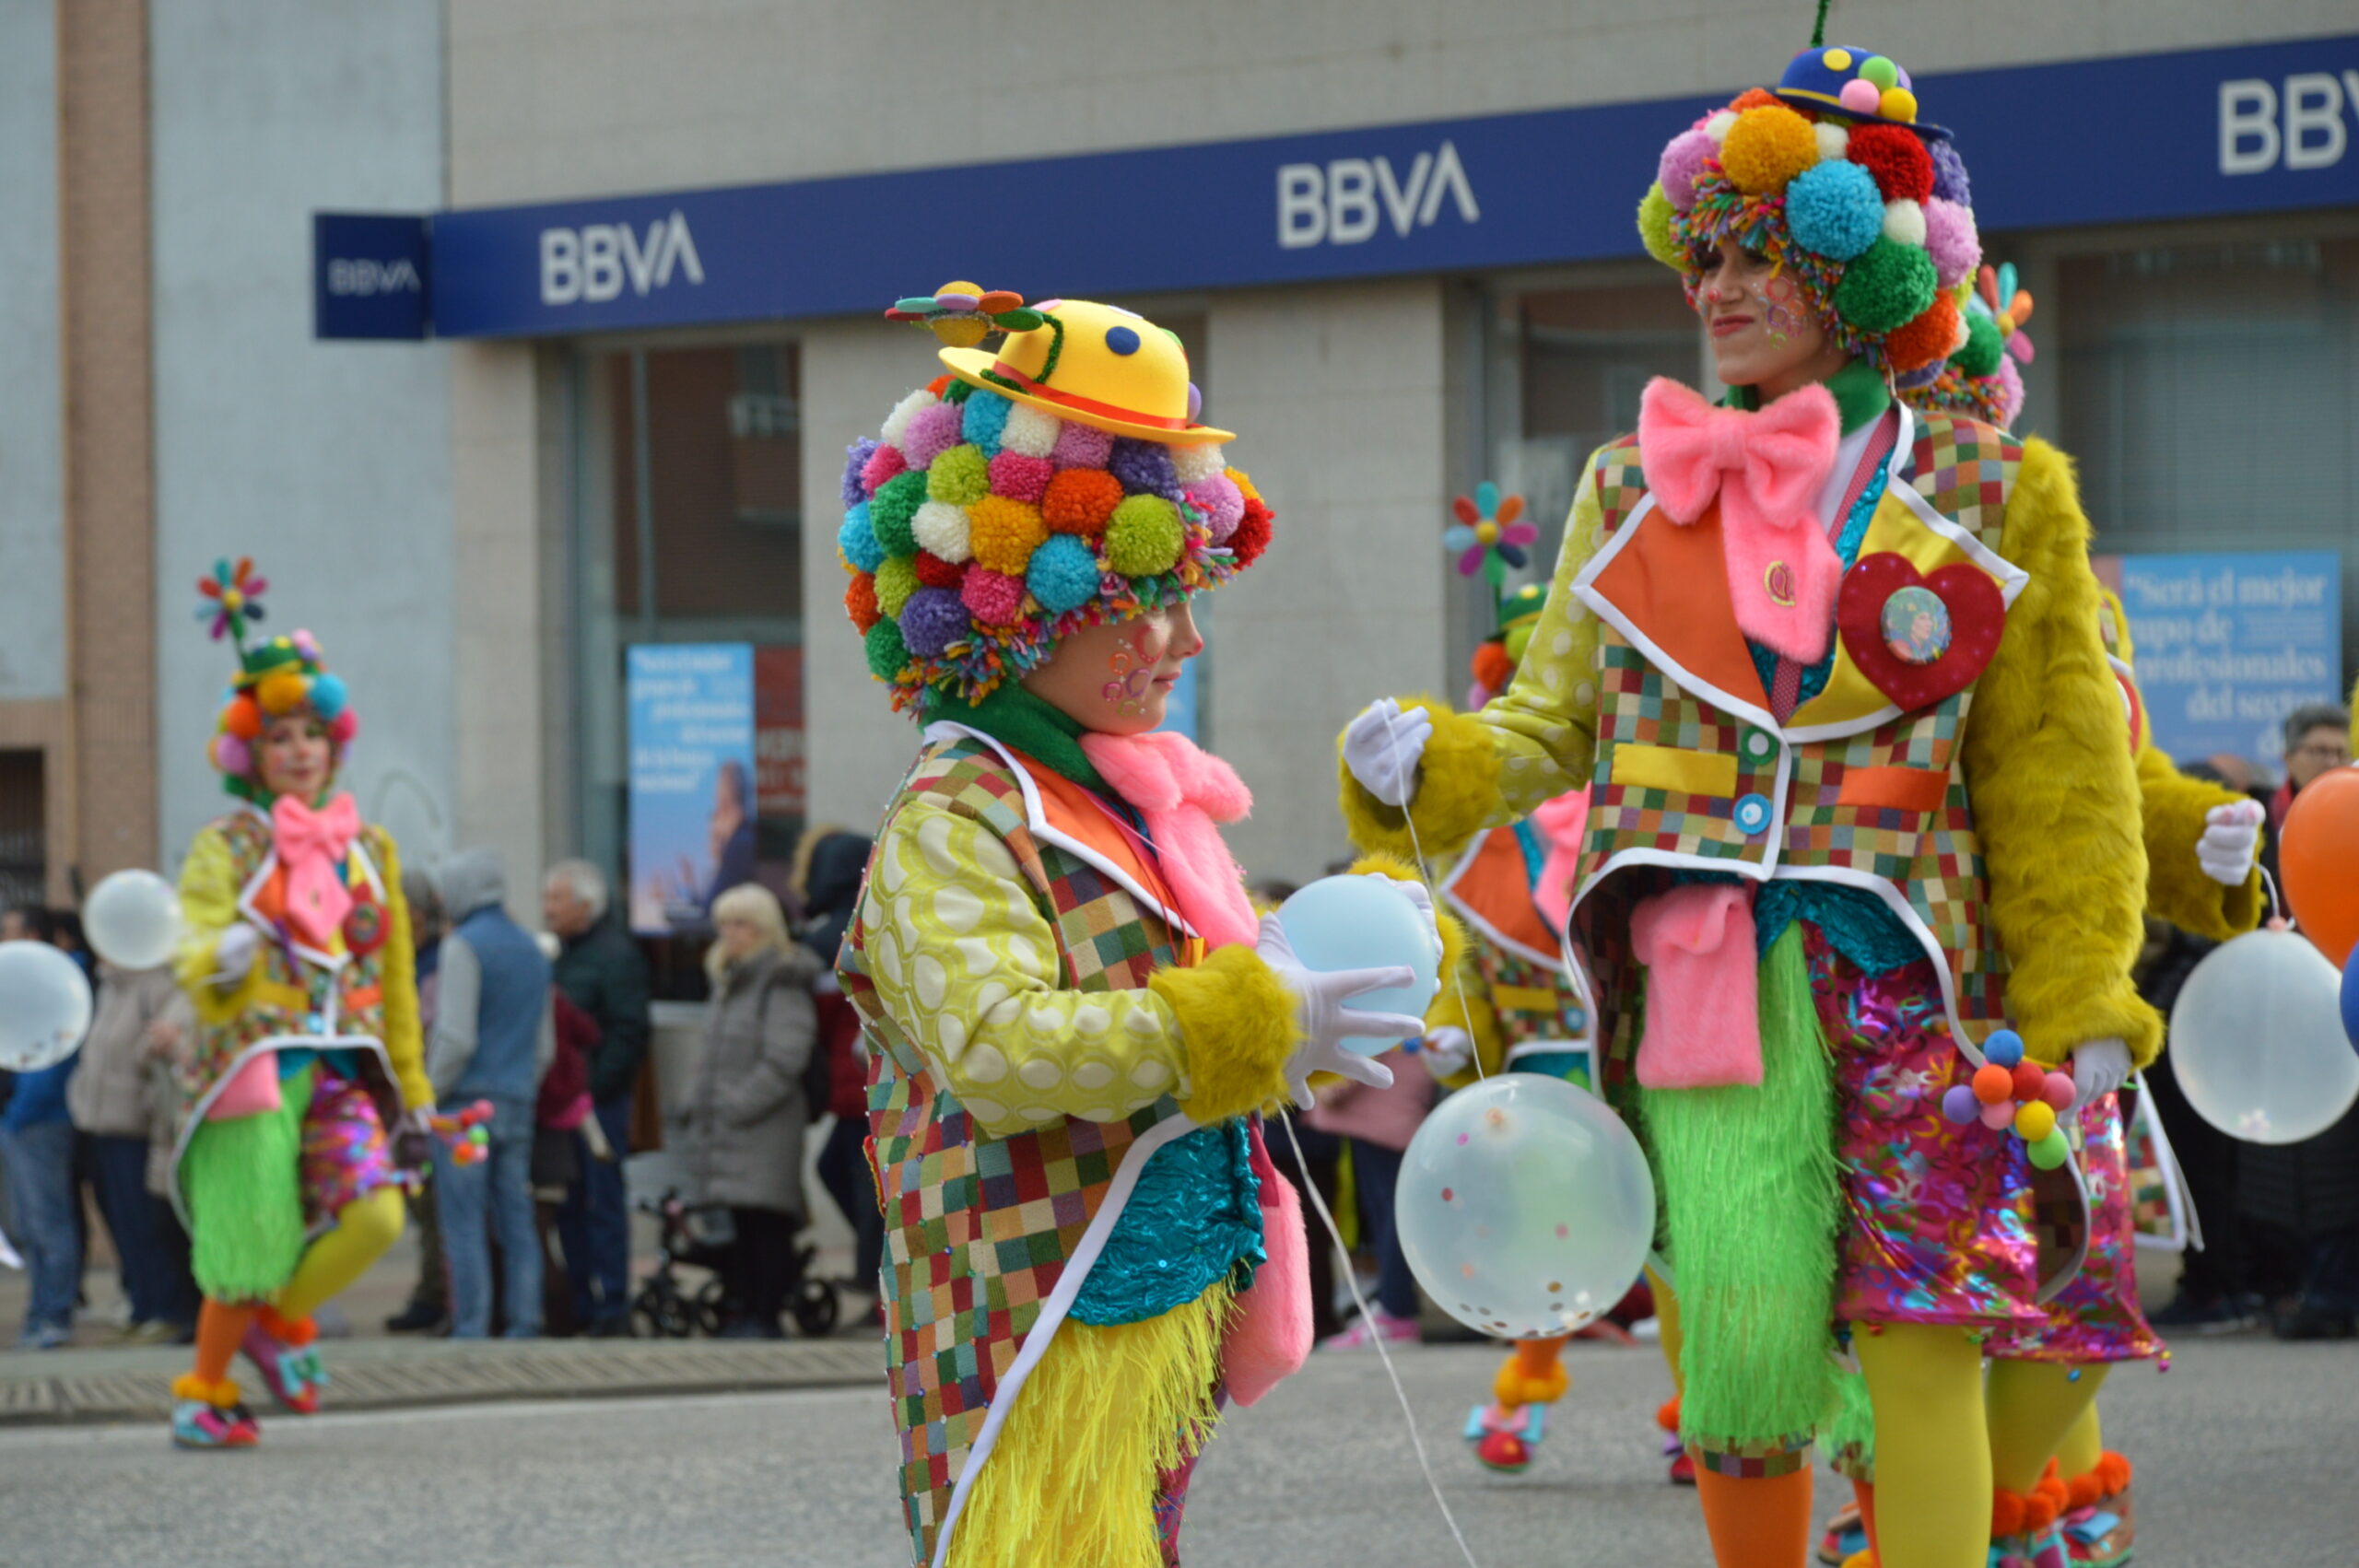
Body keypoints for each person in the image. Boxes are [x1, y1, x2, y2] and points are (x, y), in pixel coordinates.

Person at [1341, 37, 2160, 1568]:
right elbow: (1551, 723)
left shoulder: (1998, 491)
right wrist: (1425, 769)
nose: (1712, 288)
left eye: (1754, 258)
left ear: (1851, 277)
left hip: (1930, 979)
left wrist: (2082, 985)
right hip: (1710, 980)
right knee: (1739, 1358)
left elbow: (2059, 774)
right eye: (1700, 256)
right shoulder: (1623, 487)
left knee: (1933, 1330)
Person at [835, 287, 1417, 1568]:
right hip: (1039, 1307)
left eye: (1185, 595)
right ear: (1020, 607)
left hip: (1155, 1294)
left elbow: (1229, 972)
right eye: (1149, 600)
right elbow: (995, 1048)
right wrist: (1249, 1018)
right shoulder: (955, 814)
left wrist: (1376, 880)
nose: (1185, 640)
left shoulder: (1126, 798)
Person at [1808, 310, 2271, 1568]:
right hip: (1933, 1003)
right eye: (1936, 402)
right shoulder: (1873, 589)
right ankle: (1925, 1521)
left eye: (1978, 403)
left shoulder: (2054, 578)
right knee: (1928, 1319)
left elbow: (2111, 780)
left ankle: (1965, 1512)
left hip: (2065, 1003)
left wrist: (2207, 840)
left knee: (2084, 1305)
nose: (1963, 427)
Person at [166, 573, 425, 1448]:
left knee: (379, 1214)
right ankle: (204, 1392)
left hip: (341, 1061)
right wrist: (218, 956)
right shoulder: (226, 844)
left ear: (333, 743)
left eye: (313, 732)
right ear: (253, 752)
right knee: (249, 1240)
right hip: (250, 1065)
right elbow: (191, 937)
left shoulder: (367, 846)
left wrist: (415, 1090)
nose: (301, 749)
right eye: (281, 735)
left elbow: (392, 977)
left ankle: (275, 1328)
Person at [2246, 700, 2359, 1341]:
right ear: (2288, 757)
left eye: (2339, 751)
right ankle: (2296, 1282)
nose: (2331, 762)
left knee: (2338, 1164)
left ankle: (2334, 1290)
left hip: (2347, 1002)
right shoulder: (2260, 822)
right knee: (2292, 1162)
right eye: (2318, 751)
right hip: (2283, 1010)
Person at [675, 883, 818, 1338]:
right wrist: (696, 1101)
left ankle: (766, 1313)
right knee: (740, 1223)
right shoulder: (729, 980)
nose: (729, 933)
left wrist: (736, 1106)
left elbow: (786, 1056)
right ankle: (746, 1309)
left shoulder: (781, 979)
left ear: (763, 928)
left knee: (766, 1223)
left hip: (765, 1125)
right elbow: (712, 1053)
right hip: (728, 1126)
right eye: (723, 924)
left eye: (740, 924)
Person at [426, 848, 552, 1340]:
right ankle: (525, 1321)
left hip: (465, 1105)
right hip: (517, 1098)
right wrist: (522, 1088)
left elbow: (456, 1037)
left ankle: (472, 1327)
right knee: (516, 1218)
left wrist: (427, 1093)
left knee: (462, 1221)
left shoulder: (464, 947)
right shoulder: (532, 949)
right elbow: (544, 1046)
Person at [544, 858, 651, 1336]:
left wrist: (594, 1089)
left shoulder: (614, 956)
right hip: (564, 1106)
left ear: (585, 906)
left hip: (597, 1105)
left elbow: (630, 1032)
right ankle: (581, 1304)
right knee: (568, 1204)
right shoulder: (561, 955)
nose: (547, 910)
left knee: (602, 1204)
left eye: (556, 900)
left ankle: (613, 1306)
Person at [69, 957, 196, 1342]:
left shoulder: (159, 984)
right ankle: (142, 1304)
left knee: (148, 1222)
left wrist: (158, 1046)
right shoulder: (108, 986)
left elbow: (151, 1050)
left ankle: (167, 1308)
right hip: (100, 1121)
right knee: (122, 1221)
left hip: (137, 1123)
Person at [800, 828, 885, 1298]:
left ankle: (872, 1276)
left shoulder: (823, 941)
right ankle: (873, 1270)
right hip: (858, 1083)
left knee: (857, 1179)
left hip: (860, 1084)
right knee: (847, 1173)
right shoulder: (864, 923)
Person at [387, 865, 451, 1335]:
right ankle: (432, 1292)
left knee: (435, 1207)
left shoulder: (437, 963)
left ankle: (436, 1297)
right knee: (423, 1203)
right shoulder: (410, 960)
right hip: (407, 1100)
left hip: (429, 1100)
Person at [1, 1028, 79, 1349]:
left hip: (39, 1123)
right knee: (29, 1227)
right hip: (20, 1121)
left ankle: (55, 1316)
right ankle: (40, 1312)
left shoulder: (56, 1009)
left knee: (48, 1224)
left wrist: (18, 1115)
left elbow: (47, 1075)